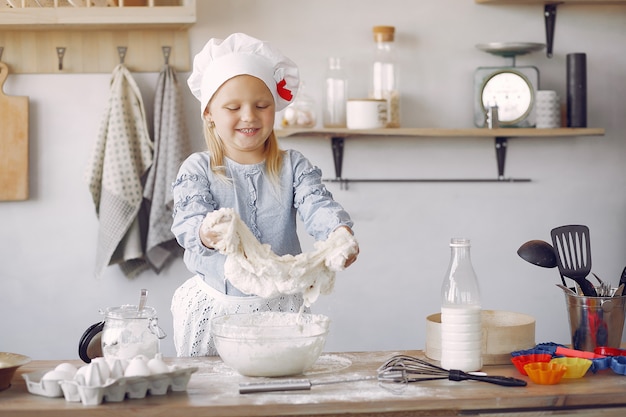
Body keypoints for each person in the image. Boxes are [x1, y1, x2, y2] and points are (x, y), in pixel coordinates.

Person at [170, 33, 359, 357]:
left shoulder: (293, 166)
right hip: (214, 309)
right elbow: (189, 221)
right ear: (209, 114)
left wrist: (339, 234)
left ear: (274, 109)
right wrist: (206, 231)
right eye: (233, 107)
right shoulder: (198, 168)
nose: (249, 116)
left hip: (281, 312)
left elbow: (318, 205)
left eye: (261, 105)